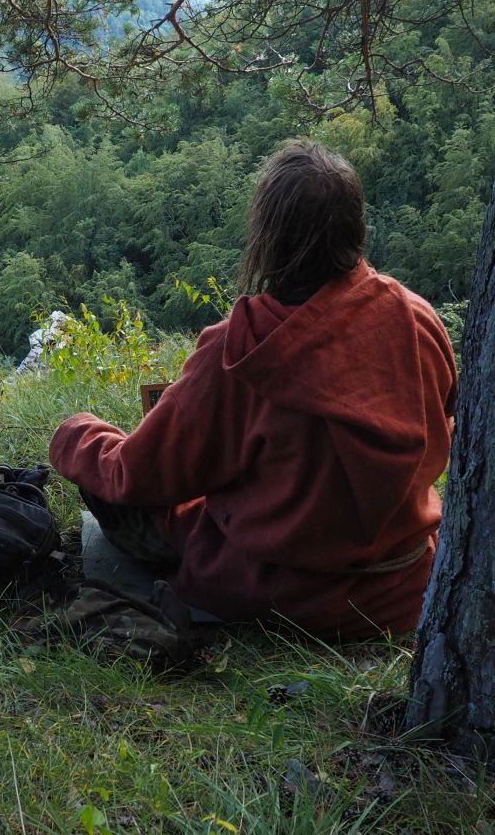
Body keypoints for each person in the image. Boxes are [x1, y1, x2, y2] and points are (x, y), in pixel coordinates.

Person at [48, 139, 457, 639]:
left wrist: (75, 435)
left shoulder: (236, 351)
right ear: (356, 227)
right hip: (400, 589)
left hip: (272, 593)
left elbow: (138, 474)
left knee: (115, 483)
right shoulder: (418, 321)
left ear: (269, 237)